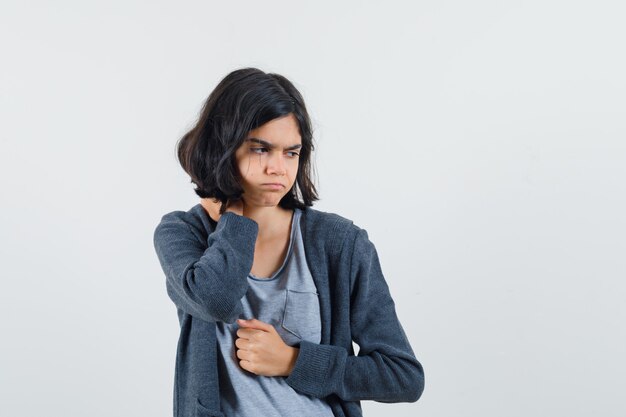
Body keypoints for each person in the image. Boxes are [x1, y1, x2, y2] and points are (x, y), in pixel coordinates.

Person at [153, 67, 425, 417]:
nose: (278, 168)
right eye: (261, 149)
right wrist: (237, 213)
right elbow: (216, 299)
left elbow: (403, 376)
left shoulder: (340, 244)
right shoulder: (183, 233)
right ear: (224, 148)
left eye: (291, 153)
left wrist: (294, 361)